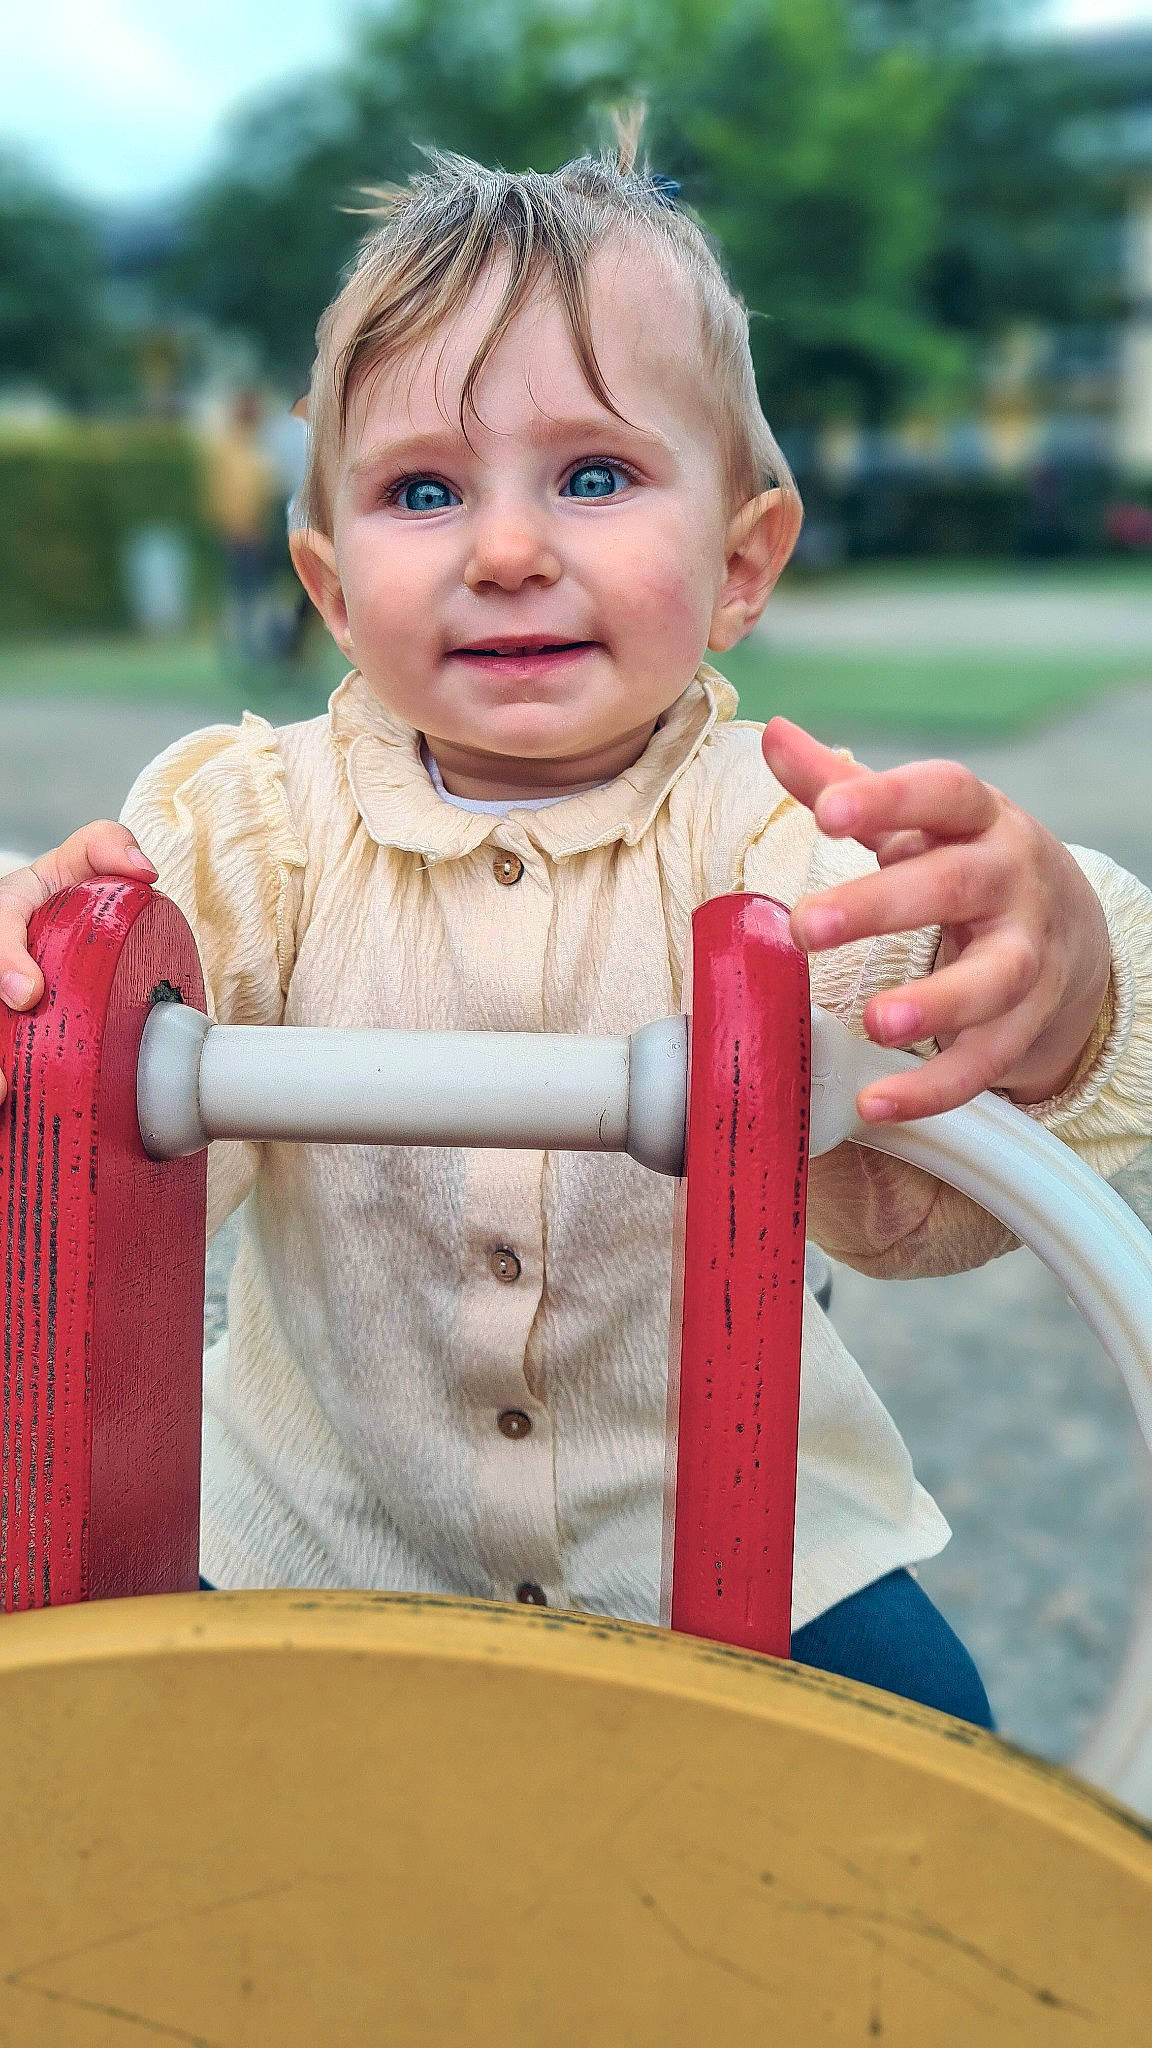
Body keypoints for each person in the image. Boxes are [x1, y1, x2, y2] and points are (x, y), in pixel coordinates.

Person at [1, 128, 1149, 1728]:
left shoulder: (790, 840)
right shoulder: (250, 832)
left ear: (743, 561)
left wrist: (1056, 973)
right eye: (423, 490)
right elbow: (95, 1046)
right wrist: (35, 952)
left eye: (594, 475)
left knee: (944, 1804)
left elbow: (966, 1127)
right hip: (312, 1548)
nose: (511, 547)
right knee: (132, 1803)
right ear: (331, 591)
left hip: (749, 1563)